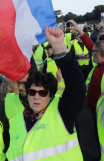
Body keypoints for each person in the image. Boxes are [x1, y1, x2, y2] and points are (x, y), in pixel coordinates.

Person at [6, 25, 86, 160]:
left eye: (42, 93)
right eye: (32, 92)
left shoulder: (63, 112)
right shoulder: (16, 121)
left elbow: (77, 87)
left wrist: (60, 49)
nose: (36, 97)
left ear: (50, 95)